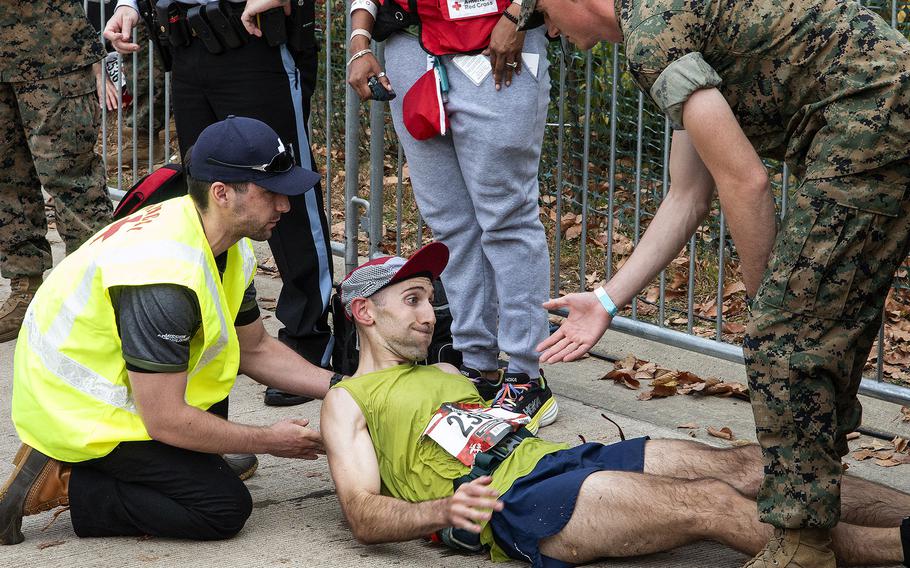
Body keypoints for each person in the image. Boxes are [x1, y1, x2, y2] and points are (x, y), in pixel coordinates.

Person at [526, 0, 910, 565]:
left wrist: (772, 319)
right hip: (880, 113)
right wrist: (607, 298)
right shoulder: (666, 24)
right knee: (814, 337)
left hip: (875, 121)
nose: (552, 31)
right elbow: (688, 196)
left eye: (543, 16)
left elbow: (747, 182)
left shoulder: (653, 33)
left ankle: (801, 548)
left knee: (789, 342)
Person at [321, 242, 910, 568]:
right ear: (365, 313)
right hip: (513, 502)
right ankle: (895, 549)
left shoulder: (447, 371)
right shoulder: (346, 401)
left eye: (430, 299)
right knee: (710, 503)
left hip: (559, 460)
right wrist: (442, 511)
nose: (430, 314)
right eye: (413, 300)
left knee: (750, 465)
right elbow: (362, 514)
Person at [0, 117, 337, 545]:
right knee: (222, 508)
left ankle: (172, 462)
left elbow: (256, 350)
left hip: (143, 389)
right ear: (222, 193)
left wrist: (344, 386)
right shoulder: (162, 276)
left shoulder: (216, 235)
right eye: (270, 193)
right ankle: (70, 478)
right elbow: (165, 419)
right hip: (80, 412)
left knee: (215, 452)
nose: (285, 206)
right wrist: (271, 440)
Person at [103, 0, 333, 407]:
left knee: (283, 189)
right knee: (205, 193)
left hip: (254, 44)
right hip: (186, 46)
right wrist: (129, 6)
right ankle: (207, 335)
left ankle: (306, 339)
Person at [345, 0, 558, 424]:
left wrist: (516, 15)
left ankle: (525, 376)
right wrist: (359, 40)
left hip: (496, 42)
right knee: (450, 224)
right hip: (411, 47)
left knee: (507, 220)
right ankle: (477, 366)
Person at [0, 0, 114, 343]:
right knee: (7, 180)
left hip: (52, 53)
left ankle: (98, 295)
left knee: (71, 181)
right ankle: (26, 290)